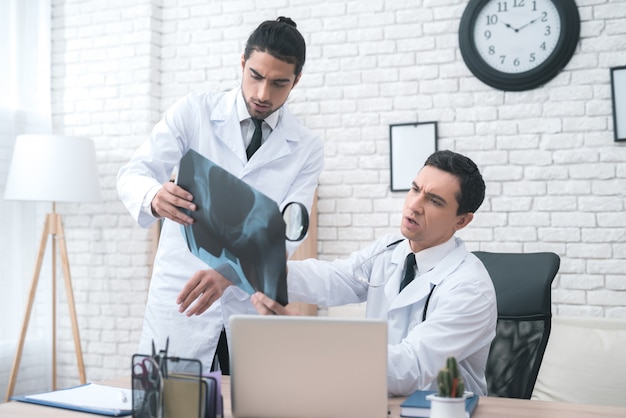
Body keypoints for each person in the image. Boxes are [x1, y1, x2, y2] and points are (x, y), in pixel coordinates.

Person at [117, 17, 324, 374]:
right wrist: (153, 196)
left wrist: (231, 272)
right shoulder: (194, 112)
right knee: (169, 407)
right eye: (256, 76)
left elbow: (290, 229)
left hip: (247, 305)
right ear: (242, 63)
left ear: (297, 81)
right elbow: (133, 173)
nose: (263, 94)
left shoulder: (306, 147)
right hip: (180, 300)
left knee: (245, 404)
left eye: (279, 83)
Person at [250, 150, 497, 397]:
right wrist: (271, 270)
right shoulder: (389, 250)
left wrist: (314, 340)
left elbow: (411, 368)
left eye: (434, 200)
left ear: (462, 221)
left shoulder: (470, 287)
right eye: (415, 189)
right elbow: (336, 278)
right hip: (375, 400)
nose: (414, 205)